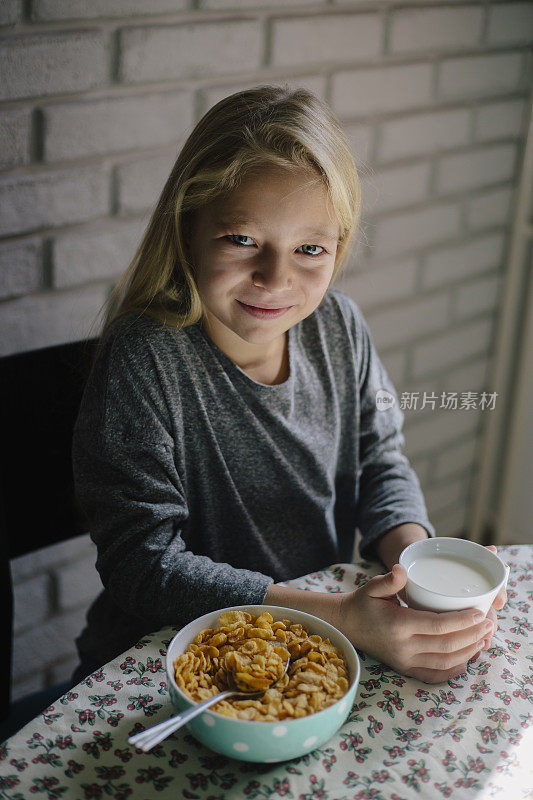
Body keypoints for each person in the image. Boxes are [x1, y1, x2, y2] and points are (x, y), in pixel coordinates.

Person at [71, 84, 505, 688]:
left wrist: (415, 570)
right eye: (243, 239)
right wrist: (344, 620)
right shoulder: (145, 358)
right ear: (186, 227)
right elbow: (144, 567)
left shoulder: (341, 328)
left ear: (339, 248)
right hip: (159, 664)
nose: (276, 278)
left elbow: (380, 463)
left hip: (313, 649)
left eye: (308, 249)